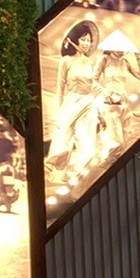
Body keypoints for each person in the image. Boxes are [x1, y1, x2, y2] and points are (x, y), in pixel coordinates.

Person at [46, 18, 103, 180]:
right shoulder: (66, 61)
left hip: (88, 103)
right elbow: (60, 89)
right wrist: (58, 112)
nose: (87, 43)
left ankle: (76, 172)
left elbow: (93, 85)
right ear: (75, 40)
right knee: (63, 137)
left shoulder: (90, 62)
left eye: (89, 40)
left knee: (86, 140)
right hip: (72, 103)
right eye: (83, 39)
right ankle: (56, 171)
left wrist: (101, 107)